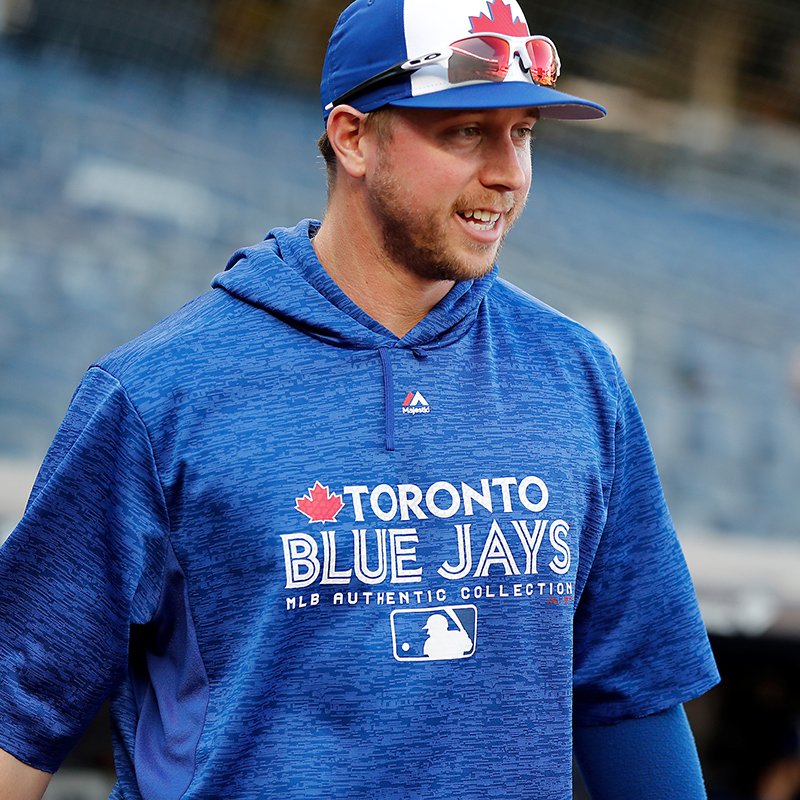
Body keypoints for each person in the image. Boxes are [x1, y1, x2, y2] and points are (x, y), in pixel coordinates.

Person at [0, 0, 720, 798]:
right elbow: (19, 711)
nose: (508, 173)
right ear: (352, 138)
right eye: (464, 132)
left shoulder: (577, 377)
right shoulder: (160, 394)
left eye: (522, 132)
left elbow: (631, 696)